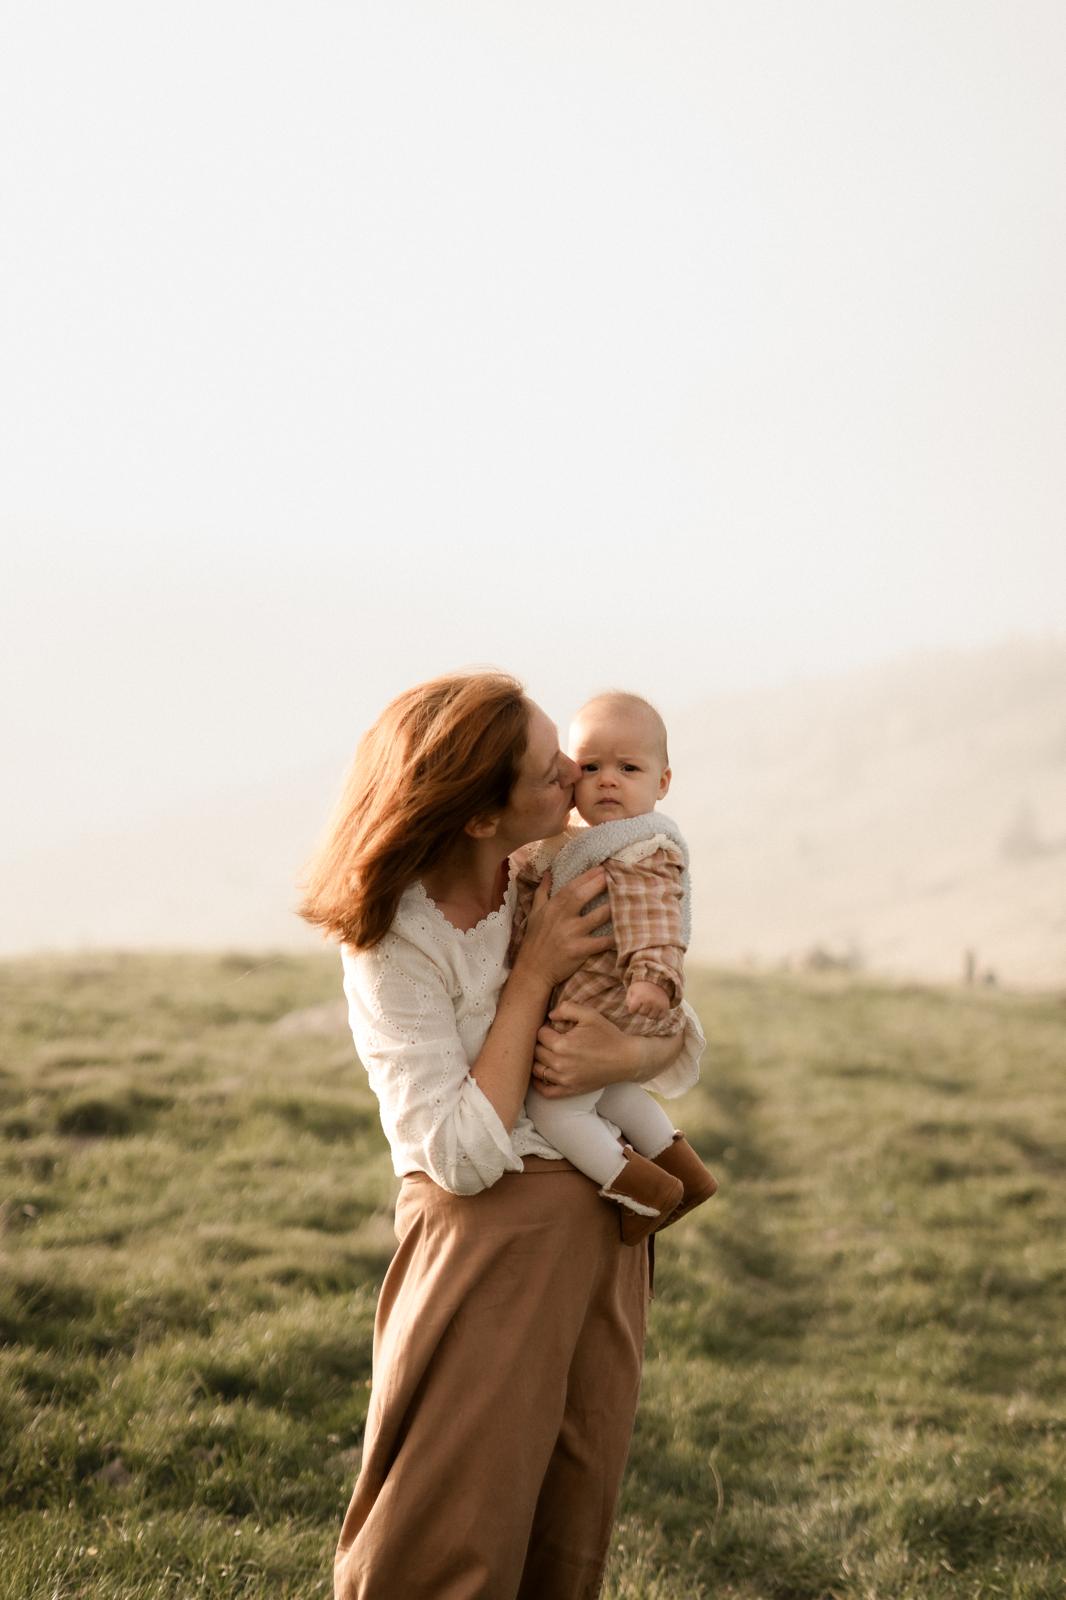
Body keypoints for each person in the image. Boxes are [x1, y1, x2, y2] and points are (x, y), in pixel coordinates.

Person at [298, 671, 706, 1600]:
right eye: (548, 765)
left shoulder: (569, 864)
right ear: (482, 818)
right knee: (450, 1524)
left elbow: (674, 1032)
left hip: (600, 1240)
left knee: (567, 1512)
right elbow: (460, 1153)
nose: (575, 770)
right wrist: (536, 975)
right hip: (486, 1253)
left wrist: (621, 1053)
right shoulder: (395, 939)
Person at [511, 692, 718, 1242]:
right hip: (612, 1004)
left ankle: (642, 1193)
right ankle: (685, 1173)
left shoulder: (641, 850)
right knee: (614, 1094)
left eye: (628, 769)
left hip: (621, 999)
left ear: (663, 783)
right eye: (593, 767)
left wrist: (653, 977)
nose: (608, 781)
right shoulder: (592, 844)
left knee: (555, 1111)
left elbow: (654, 919)